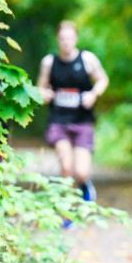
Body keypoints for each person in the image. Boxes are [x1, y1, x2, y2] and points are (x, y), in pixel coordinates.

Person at [38, 20, 109, 211]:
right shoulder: (49, 62)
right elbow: (41, 88)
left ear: (76, 39)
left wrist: (93, 94)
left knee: (81, 171)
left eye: (69, 38)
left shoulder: (87, 59)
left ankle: (85, 186)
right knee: (67, 168)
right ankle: (67, 210)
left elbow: (103, 79)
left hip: (82, 121)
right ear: (58, 40)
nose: (66, 42)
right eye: (62, 39)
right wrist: (46, 94)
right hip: (58, 121)